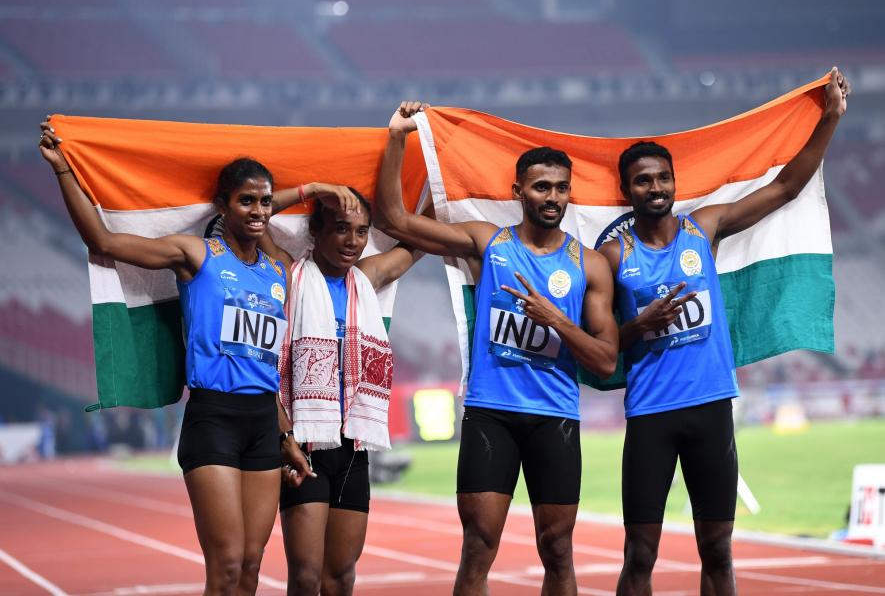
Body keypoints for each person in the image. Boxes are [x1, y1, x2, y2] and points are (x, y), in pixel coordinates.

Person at [38, 119, 355, 596]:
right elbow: (104, 243)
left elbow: (262, 364)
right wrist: (64, 172)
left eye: (266, 201)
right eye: (245, 200)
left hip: (263, 425)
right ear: (222, 206)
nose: (258, 210)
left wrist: (285, 432)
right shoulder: (197, 255)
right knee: (226, 566)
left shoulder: (278, 271)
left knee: (251, 565)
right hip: (213, 419)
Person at [597, 68, 850, 596]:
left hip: (712, 407)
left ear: (674, 182)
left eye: (662, 177)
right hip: (649, 415)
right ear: (627, 190)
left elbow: (785, 187)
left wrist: (827, 119)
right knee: (639, 553)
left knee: (717, 549)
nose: (655, 187)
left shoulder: (704, 228)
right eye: (643, 180)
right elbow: (599, 349)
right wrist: (639, 327)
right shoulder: (613, 255)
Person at [374, 102, 619, 595]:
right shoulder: (489, 245)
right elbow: (394, 217)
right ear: (518, 192)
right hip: (493, 413)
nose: (552, 197)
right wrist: (398, 137)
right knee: (479, 546)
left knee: (558, 550)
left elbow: (606, 360)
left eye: (561, 188)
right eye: (541, 187)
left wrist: (555, 322)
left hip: (555, 417)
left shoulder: (589, 266)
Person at [263, 186, 425, 596]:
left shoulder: (366, 279)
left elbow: (421, 237)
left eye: (361, 231)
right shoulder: (288, 274)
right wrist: (313, 190)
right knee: (304, 576)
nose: (353, 241)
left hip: (353, 446)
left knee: (341, 577)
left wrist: (442, 183)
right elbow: (259, 217)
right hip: (306, 443)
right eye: (340, 228)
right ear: (315, 231)